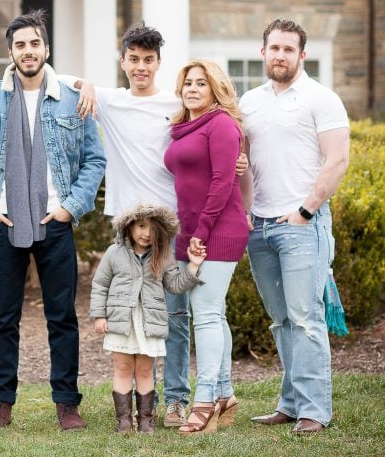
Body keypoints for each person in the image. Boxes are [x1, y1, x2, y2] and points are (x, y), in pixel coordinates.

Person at [64, 24, 248, 428]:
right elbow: (55, 78)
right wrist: (86, 84)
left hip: (174, 225)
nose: (141, 67)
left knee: (179, 315)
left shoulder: (178, 107)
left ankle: (178, 400)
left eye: (149, 60)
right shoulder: (110, 101)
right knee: (133, 310)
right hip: (127, 226)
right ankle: (141, 396)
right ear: (123, 62)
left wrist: (239, 160)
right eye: (134, 59)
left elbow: (216, 143)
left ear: (159, 63)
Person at [0, 9, 106, 431]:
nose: (28, 51)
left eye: (35, 44)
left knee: (62, 317)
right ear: (10, 51)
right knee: (2, 319)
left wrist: (71, 206)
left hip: (55, 222)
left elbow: (94, 158)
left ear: (46, 49)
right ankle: (0, 403)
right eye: (20, 45)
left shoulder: (72, 96)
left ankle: (67, 404)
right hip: (4, 223)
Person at [242, 18, 350, 435]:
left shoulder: (322, 98)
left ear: (302, 55)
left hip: (303, 224)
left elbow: (337, 160)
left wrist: (305, 211)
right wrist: (247, 211)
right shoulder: (250, 101)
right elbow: (245, 163)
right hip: (260, 227)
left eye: (289, 49)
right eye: (275, 48)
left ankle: (314, 410)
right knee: (281, 319)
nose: (281, 55)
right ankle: (289, 404)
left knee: (306, 317)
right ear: (263, 52)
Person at [164, 60, 251, 434]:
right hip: (192, 232)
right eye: (188, 83)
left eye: (201, 83)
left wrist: (200, 233)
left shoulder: (221, 125)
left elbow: (220, 184)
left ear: (216, 89)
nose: (193, 89)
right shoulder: (183, 128)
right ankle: (226, 393)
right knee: (214, 313)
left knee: (208, 314)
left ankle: (204, 402)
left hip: (217, 231)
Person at [90, 204, 206, 435]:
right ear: (129, 226)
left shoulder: (163, 255)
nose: (146, 234)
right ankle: (123, 421)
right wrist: (99, 315)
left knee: (144, 370)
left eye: (153, 229)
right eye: (142, 226)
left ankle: (145, 421)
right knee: (122, 367)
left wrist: (193, 266)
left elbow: (174, 285)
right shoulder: (114, 252)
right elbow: (100, 284)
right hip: (121, 320)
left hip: (149, 322)